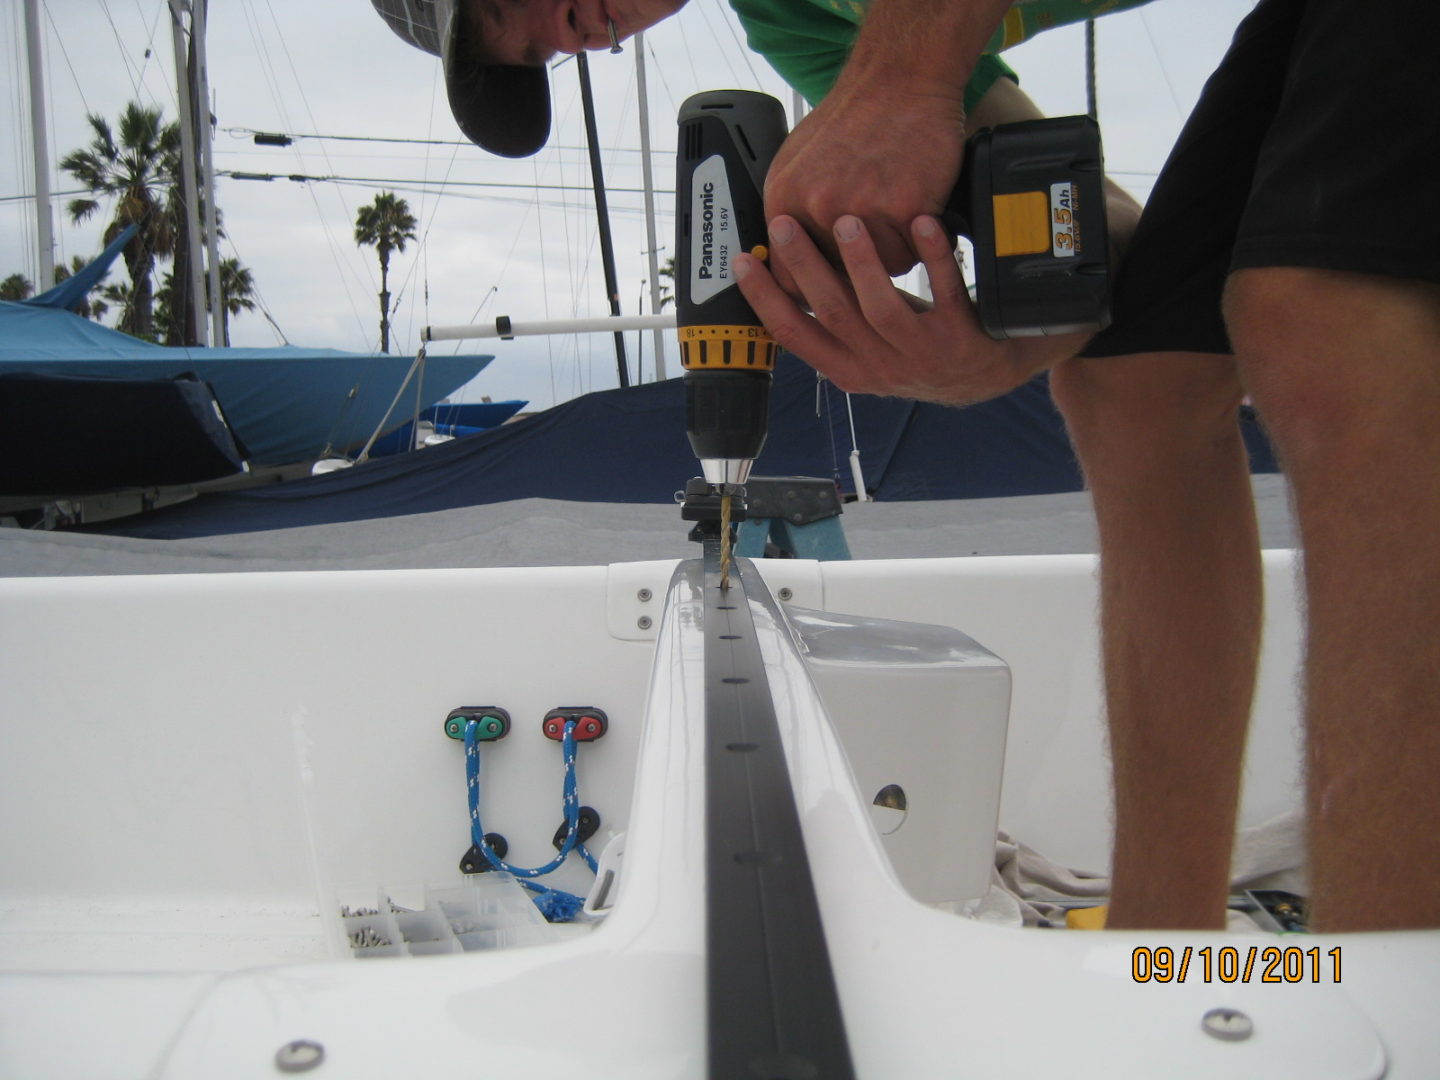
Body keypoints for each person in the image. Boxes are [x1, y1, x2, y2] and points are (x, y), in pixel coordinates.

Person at [375, 0, 1440, 932]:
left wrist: (907, 71)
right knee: (1133, 380)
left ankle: (1393, 991)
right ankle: (1161, 964)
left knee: (1324, 316)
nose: (573, 34)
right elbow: (1100, 236)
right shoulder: (794, 21)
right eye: (543, 53)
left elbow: (915, 75)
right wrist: (992, 353)